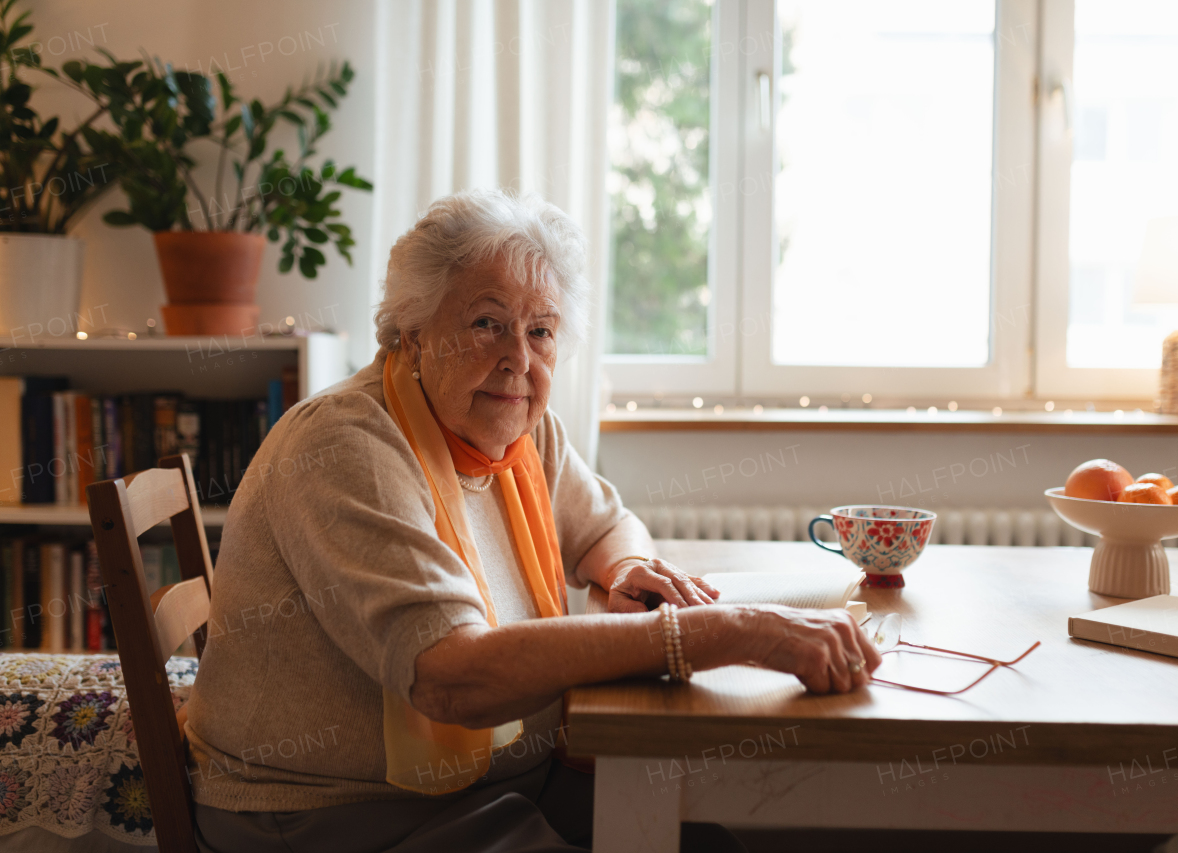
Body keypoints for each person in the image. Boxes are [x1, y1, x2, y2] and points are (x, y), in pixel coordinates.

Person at [185, 188, 881, 852]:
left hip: (495, 786)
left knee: (712, 841)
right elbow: (449, 674)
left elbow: (609, 525)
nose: (517, 358)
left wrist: (628, 567)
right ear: (414, 332)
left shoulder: (519, 432)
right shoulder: (347, 446)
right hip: (335, 813)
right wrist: (720, 631)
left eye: (540, 330)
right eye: (486, 322)